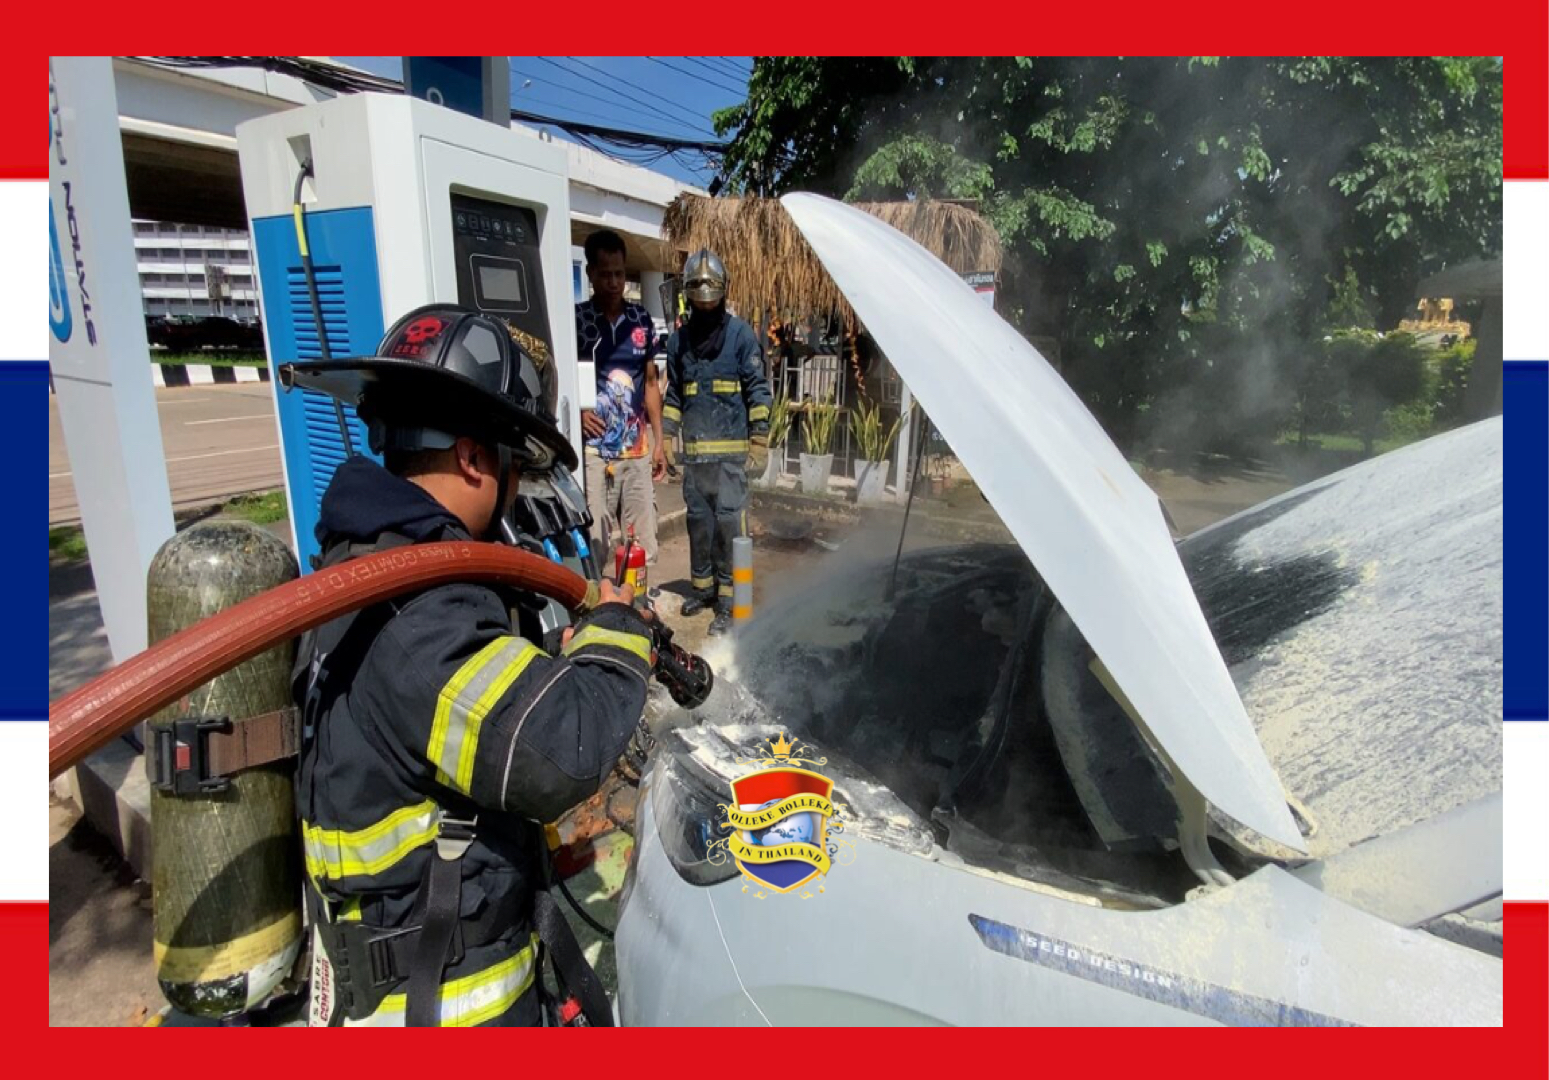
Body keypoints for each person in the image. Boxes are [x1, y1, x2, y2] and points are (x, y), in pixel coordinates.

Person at [284, 304, 654, 1027]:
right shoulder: (418, 610)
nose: (518, 490)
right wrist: (617, 630)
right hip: (443, 1007)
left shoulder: (369, 563)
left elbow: (464, 713)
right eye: (516, 465)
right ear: (474, 458)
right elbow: (556, 751)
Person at [661, 249, 772, 636]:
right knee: (700, 525)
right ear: (689, 297)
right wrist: (667, 438)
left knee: (730, 526)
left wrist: (759, 440)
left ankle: (729, 601)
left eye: (711, 300)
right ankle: (703, 591)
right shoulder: (679, 342)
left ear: (723, 294)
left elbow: (758, 391)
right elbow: (675, 395)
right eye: (698, 301)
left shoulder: (741, 336)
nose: (705, 308)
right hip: (696, 462)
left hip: (731, 462)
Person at [576, 230, 665, 564]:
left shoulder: (640, 320)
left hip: (637, 452)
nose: (614, 282)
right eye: (605, 274)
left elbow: (651, 383)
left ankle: (638, 608)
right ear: (591, 274)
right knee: (594, 545)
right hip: (594, 454)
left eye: (619, 274)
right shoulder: (577, 320)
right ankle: (599, 609)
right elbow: (562, 377)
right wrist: (581, 413)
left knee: (641, 545)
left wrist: (659, 442)